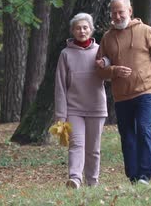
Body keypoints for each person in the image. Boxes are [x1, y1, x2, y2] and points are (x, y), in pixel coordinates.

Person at [96, 0, 151, 185]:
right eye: (114, 13)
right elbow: (99, 69)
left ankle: (145, 175)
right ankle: (133, 176)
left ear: (130, 11)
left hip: (146, 91)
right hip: (121, 96)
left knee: (143, 130)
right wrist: (113, 70)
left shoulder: (146, 31)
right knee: (127, 136)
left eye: (121, 11)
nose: (117, 16)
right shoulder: (107, 37)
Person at [54, 13, 112, 189]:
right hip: (74, 109)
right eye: (78, 28)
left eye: (85, 27)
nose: (82, 31)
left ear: (91, 29)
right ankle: (75, 179)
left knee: (93, 149)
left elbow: (110, 70)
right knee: (76, 144)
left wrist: (106, 62)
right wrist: (60, 116)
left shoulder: (100, 51)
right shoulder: (65, 54)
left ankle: (92, 181)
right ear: (72, 31)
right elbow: (60, 87)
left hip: (97, 108)